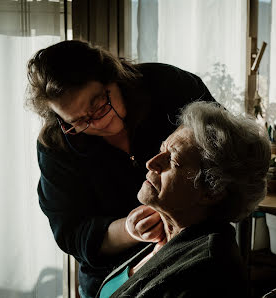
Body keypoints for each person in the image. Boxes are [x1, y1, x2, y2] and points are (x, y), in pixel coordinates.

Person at [24, 40, 216, 297]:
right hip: (111, 276)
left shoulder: (169, 86)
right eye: (78, 121)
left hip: (195, 249)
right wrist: (128, 229)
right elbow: (71, 231)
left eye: (98, 106)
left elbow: (224, 149)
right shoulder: (57, 145)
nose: (97, 123)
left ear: (113, 77)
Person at [94, 101, 271, 297]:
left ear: (212, 191)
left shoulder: (205, 272)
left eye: (173, 160)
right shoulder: (167, 235)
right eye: (162, 150)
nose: (151, 163)